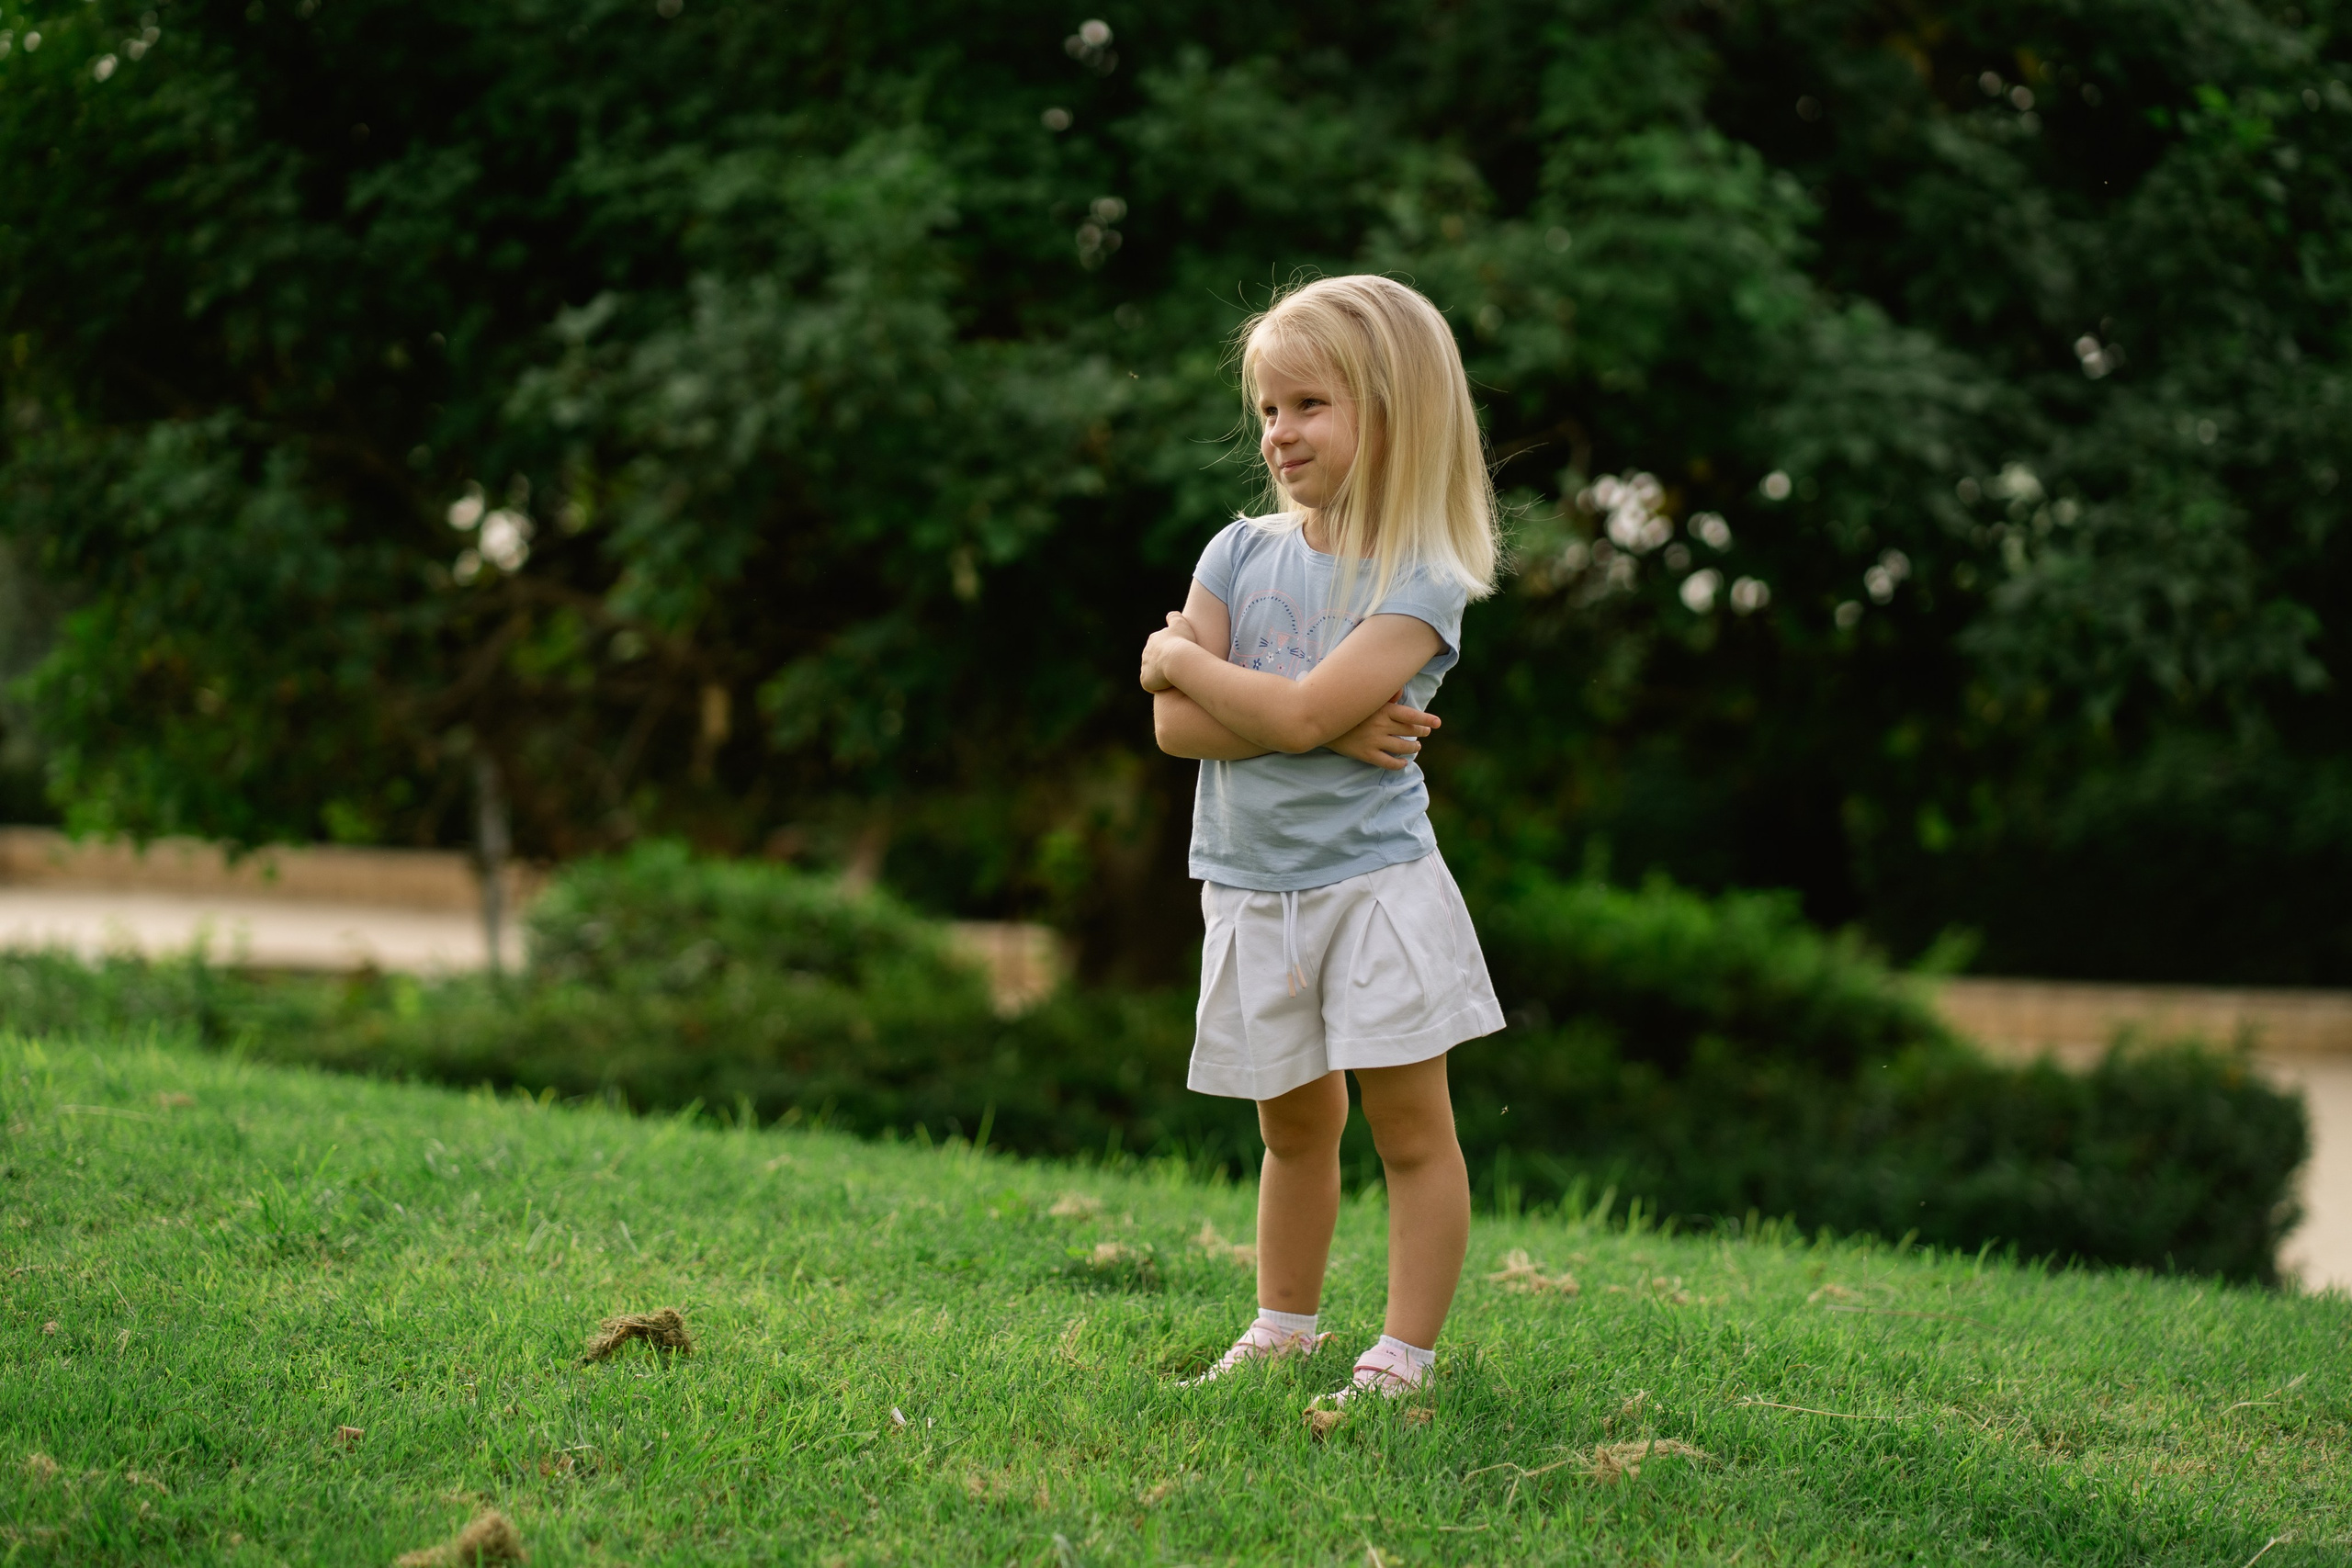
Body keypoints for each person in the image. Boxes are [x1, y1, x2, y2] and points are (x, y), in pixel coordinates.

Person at [1138, 274, 1504, 1409]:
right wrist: (1334, 728)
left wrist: (1180, 655)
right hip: (1249, 887)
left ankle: (1401, 1359)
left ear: (1392, 412)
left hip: (1372, 887)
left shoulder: (1421, 576)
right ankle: (1281, 1326)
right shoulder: (1237, 551)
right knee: (1292, 1124)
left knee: (1408, 1130)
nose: (1279, 434)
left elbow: (1228, 703)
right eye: (1266, 411)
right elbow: (1172, 731)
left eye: (1308, 406)